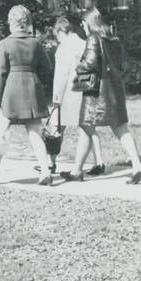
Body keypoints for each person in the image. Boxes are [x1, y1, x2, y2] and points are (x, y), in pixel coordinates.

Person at [67, 9, 141, 184]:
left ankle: (76, 171)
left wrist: (78, 66)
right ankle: (137, 166)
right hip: (115, 87)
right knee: (121, 128)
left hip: (96, 92)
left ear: (90, 22)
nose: (82, 26)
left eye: (83, 23)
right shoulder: (114, 40)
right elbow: (124, 65)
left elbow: (90, 62)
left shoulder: (92, 38)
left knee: (86, 128)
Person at [0, 5, 55, 185]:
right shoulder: (35, 43)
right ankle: (45, 171)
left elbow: (1, 72)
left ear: (10, 22)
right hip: (32, 89)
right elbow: (47, 68)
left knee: (1, 133)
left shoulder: (4, 44)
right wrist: (38, 81)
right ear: (27, 22)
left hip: (11, 91)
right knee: (34, 133)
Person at [49, 14, 104, 179]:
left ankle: (51, 162)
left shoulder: (63, 48)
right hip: (86, 89)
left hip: (68, 93)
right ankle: (99, 161)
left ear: (60, 32)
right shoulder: (84, 44)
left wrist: (56, 98)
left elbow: (61, 76)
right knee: (88, 127)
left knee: (56, 127)